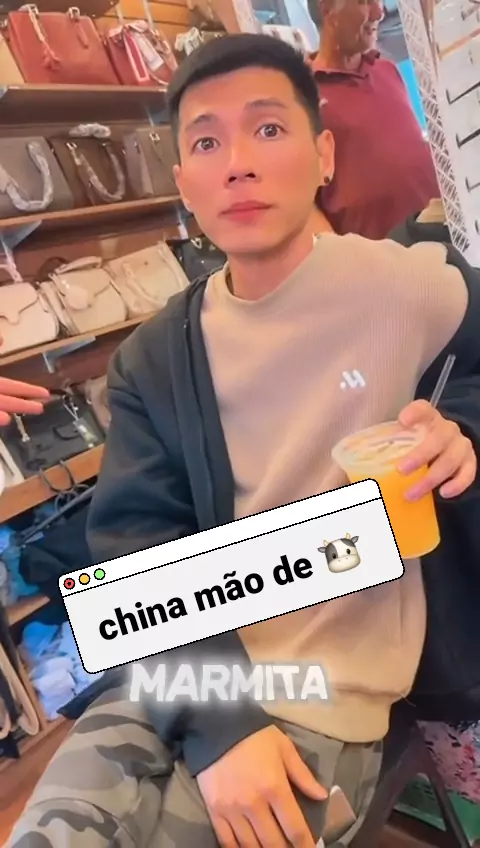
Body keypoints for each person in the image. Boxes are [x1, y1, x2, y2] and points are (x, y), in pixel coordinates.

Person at [8, 34, 480, 848]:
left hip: (335, 682)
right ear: (183, 182)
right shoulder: (157, 356)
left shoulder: (408, 286)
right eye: (205, 142)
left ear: (323, 155)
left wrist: (462, 426)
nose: (237, 164)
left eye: (268, 129)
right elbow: (135, 548)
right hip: (183, 663)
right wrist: (222, 725)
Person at [309, 0, 440, 239]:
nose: (379, 12)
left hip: (444, 235)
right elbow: (303, 203)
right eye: (364, 2)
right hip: (382, 254)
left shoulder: (387, 69)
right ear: (326, 8)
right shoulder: (302, 96)